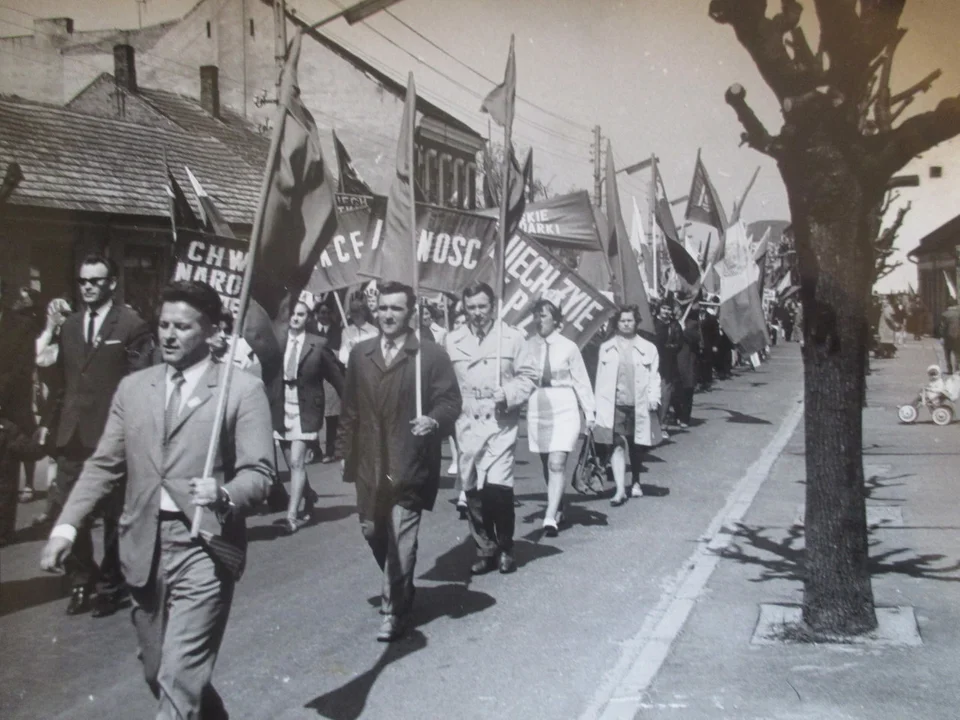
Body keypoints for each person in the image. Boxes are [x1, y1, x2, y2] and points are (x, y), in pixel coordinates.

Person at [40, 280, 274, 719]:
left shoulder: (240, 390)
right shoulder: (134, 388)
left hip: (203, 546)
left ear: (211, 331)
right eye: (163, 324)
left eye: (182, 327)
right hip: (143, 545)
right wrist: (67, 526)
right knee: (157, 671)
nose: (168, 335)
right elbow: (104, 464)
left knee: (178, 678)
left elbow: (260, 473)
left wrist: (224, 493)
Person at [337, 281, 461, 642]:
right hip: (370, 464)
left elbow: (451, 402)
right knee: (373, 531)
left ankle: (393, 612)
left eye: (396, 308)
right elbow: (349, 411)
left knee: (400, 537)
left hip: (409, 459)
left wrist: (433, 419)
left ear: (411, 313)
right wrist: (346, 455)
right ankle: (402, 585)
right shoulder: (360, 355)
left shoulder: (430, 355)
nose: (388, 315)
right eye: (384, 308)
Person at [42, 254, 154, 617]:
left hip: (111, 433)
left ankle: (110, 584)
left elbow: (138, 382)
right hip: (71, 433)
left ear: (111, 283)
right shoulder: (70, 326)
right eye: (82, 281)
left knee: (113, 514)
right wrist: (50, 423)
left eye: (95, 280)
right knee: (66, 506)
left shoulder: (132, 325)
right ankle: (80, 579)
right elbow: (61, 380)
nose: (87, 286)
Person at [444, 282, 538, 575]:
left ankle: (506, 546)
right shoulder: (452, 339)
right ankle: (484, 547)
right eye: (471, 307)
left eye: (482, 307)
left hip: (499, 421)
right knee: (472, 489)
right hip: (468, 422)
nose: (477, 313)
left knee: (498, 487)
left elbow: (529, 375)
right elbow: (445, 382)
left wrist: (509, 393)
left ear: (493, 306)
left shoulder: (512, 338)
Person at [522, 290, 595, 536]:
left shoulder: (569, 347)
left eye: (543, 315)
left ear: (555, 319)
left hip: (564, 404)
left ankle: (550, 516)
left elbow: (582, 381)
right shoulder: (527, 345)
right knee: (547, 462)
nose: (538, 319)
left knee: (557, 462)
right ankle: (559, 502)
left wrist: (590, 413)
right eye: (536, 315)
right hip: (538, 405)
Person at [269, 300, 344, 533]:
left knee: (296, 462)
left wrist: (353, 400)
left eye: (301, 314)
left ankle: (291, 517)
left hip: (307, 409)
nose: (295, 318)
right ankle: (309, 495)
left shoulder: (318, 345)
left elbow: (338, 378)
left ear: (308, 318)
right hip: (282, 406)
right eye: (292, 314)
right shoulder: (277, 342)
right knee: (291, 461)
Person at [593, 306, 661, 505]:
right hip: (615, 404)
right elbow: (600, 378)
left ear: (636, 322)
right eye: (622, 321)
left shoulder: (648, 348)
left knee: (636, 445)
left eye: (630, 320)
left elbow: (654, 376)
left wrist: (653, 397)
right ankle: (620, 490)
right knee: (617, 444)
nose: (626, 324)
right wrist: (597, 406)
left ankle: (636, 481)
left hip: (638, 403)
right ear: (617, 323)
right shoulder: (606, 348)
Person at [0, 278, 37, 546]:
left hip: (7, 412)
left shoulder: (21, 326)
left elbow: (21, 372)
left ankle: (3, 532)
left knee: (4, 475)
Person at [314, 300, 344, 463]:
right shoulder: (310, 330)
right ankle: (315, 450)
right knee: (313, 415)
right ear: (316, 315)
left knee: (332, 416)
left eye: (327, 312)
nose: (324, 316)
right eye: (321, 312)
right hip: (314, 376)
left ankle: (331, 450)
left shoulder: (338, 331)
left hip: (330, 378)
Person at [339, 294, 379, 367]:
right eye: (353, 311)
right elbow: (342, 358)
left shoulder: (374, 332)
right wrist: (349, 351)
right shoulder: (346, 331)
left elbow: (376, 357)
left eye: (358, 310)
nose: (355, 314)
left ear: (365, 311)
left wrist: (358, 350)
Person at [938, 299, 960, 374]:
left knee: (947, 353)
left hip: (948, 337)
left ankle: (949, 369)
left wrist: (941, 336)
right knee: (957, 353)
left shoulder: (945, 314)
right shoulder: (958, 313)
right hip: (958, 336)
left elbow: (942, 327)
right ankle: (957, 368)